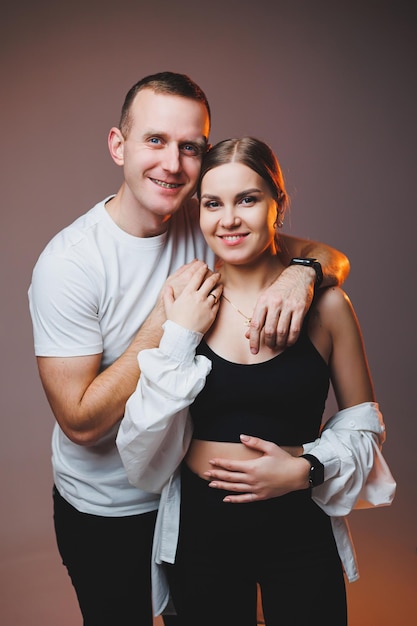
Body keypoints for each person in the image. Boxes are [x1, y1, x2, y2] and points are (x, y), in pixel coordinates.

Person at [28, 72, 349, 626]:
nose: (172, 164)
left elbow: (325, 254)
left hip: (191, 497)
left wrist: (303, 272)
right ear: (117, 144)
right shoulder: (70, 263)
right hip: (110, 508)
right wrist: (163, 323)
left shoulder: (203, 218)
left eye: (190, 147)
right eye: (155, 140)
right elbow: (80, 422)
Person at [117, 137, 396, 625]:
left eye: (247, 199)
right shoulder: (185, 303)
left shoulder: (328, 308)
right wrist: (181, 332)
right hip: (202, 539)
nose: (228, 219)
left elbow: (364, 432)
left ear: (278, 205)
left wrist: (303, 469)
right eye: (212, 204)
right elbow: (140, 452)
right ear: (198, 211)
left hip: (300, 530)